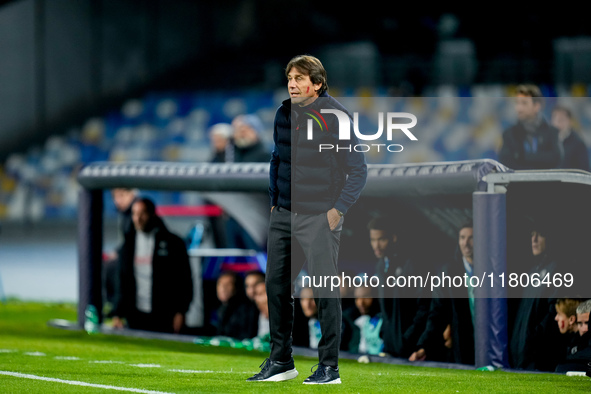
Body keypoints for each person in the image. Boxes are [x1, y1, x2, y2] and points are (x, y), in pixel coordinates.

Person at [248, 54, 367, 384]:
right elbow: (276, 159)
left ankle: (329, 367)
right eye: (289, 76)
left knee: (324, 292)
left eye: (299, 78)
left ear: (317, 84)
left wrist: (337, 209)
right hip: (284, 214)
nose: (291, 83)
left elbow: (358, 170)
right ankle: (281, 360)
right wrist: (275, 202)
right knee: (275, 287)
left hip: (320, 217)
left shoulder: (336, 116)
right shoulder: (283, 113)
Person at [111, 197, 193, 334]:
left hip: (164, 314)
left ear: (152, 214)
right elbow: (122, 279)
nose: (138, 218)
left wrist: (181, 311)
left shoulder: (173, 243)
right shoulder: (128, 245)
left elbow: (183, 280)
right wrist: (117, 312)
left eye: (142, 213)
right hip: (135, 314)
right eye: (134, 213)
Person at [409, 223, 475, 365]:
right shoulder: (449, 271)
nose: (466, 243)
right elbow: (437, 313)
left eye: (472, 238)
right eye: (462, 237)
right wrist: (424, 347)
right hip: (463, 350)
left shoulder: (496, 269)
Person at [367, 216, 430, 360]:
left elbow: (424, 307)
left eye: (381, 239)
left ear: (393, 238)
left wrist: (408, 339)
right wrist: (386, 335)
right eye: (373, 240)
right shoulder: (381, 265)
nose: (376, 245)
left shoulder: (413, 263)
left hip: (412, 348)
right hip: (391, 347)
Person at [509, 223, 562, 371]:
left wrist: (534, 337)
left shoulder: (557, 268)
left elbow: (554, 310)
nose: (535, 240)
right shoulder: (532, 270)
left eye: (540, 235)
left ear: (550, 239)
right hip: (521, 352)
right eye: (532, 235)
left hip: (539, 356)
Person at [498, 84, 561, 170]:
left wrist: (522, 156)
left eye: (524, 103)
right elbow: (506, 162)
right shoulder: (509, 134)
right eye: (517, 103)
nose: (519, 108)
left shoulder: (552, 133)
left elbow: (555, 159)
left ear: (536, 106)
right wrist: (540, 159)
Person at [103, 188, 138, 312]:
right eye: (115, 197)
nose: (118, 200)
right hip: (128, 255)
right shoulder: (125, 214)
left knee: (113, 268)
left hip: (137, 259)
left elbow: (133, 241)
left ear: (132, 194)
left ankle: (117, 309)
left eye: (122, 196)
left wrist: (118, 254)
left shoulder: (136, 212)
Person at [213, 271, 258, 340]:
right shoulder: (222, 308)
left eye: (228, 284)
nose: (223, 289)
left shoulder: (246, 309)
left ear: (237, 287)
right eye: (220, 284)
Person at [341, 284, 384, 355]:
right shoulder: (359, 323)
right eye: (357, 298)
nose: (361, 303)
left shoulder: (386, 322)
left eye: (366, 296)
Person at [555, 299, 591, 373]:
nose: (556, 318)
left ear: (571, 319)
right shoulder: (573, 341)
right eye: (580, 323)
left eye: (559, 314)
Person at [551, 105, 590, 171]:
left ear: (570, 122)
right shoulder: (547, 141)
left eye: (562, 119)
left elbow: (584, 170)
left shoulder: (578, 144)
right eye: (556, 120)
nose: (558, 123)